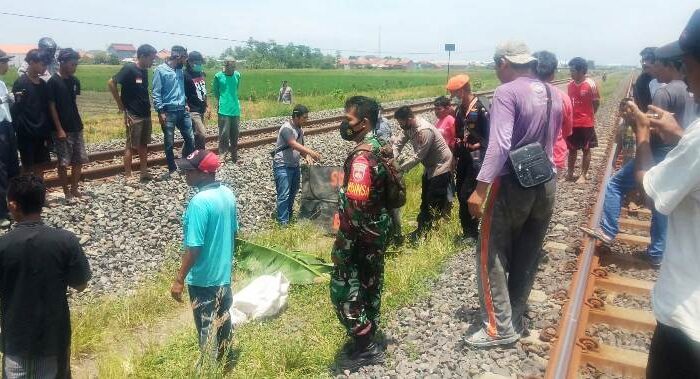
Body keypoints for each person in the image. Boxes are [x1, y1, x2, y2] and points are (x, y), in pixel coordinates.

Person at [465, 41, 563, 347]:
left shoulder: (507, 92)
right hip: (546, 182)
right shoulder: (553, 92)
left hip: (513, 183)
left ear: (505, 62)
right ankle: (515, 320)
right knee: (527, 252)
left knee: (490, 253)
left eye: (496, 64)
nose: (496, 70)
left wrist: (479, 189)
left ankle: (498, 328)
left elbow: (500, 144)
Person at [621, 12, 700, 378]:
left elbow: (650, 193)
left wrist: (641, 132)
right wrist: (681, 135)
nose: (684, 76)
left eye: (686, 64)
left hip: (688, 321)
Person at [581, 44, 693, 267]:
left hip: (657, 152)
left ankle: (608, 230)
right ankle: (658, 252)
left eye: (657, 64)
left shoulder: (664, 91)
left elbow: (652, 127)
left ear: (668, 64)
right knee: (660, 202)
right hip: (678, 151)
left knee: (614, 186)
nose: (654, 69)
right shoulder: (689, 90)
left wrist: (635, 120)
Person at [0, 174, 91, 379]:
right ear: (43, 202)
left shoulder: (3, 246)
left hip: (16, 340)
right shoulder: (65, 240)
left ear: (13, 206)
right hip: (54, 339)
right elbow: (81, 284)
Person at [331, 96, 392, 371]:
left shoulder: (361, 158)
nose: (345, 124)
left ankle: (365, 343)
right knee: (370, 282)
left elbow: (355, 206)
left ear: (364, 122)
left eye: (349, 120)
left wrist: (343, 243)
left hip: (360, 235)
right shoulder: (380, 147)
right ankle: (368, 333)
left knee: (343, 287)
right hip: (377, 231)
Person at [170, 149, 238, 368]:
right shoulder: (227, 194)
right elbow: (234, 233)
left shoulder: (199, 202)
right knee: (223, 320)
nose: (185, 175)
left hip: (203, 280)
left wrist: (180, 279)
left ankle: (209, 370)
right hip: (223, 276)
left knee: (206, 328)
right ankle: (224, 361)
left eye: (189, 171)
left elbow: (194, 247)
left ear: (205, 173)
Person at [446, 74, 490, 240]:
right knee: (460, 192)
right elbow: (458, 134)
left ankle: (473, 231)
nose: (452, 97)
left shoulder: (481, 108)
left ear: (463, 91)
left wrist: (480, 146)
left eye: (454, 93)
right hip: (464, 156)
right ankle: (467, 231)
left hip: (478, 156)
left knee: (468, 193)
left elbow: (491, 134)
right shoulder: (459, 110)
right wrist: (455, 157)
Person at [108, 44, 157, 180]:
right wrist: (121, 106)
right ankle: (128, 175)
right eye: (151, 59)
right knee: (130, 145)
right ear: (142, 56)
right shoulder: (129, 68)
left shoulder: (144, 71)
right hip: (133, 114)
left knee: (144, 144)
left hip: (145, 113)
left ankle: (143, 172)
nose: (152, 62)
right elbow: (111, 83)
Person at [47, 48, 88, 201]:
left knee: (79, 159)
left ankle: (75, 188)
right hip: (62, 129)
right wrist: (59, 129)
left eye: (76, 64)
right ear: (62, 62)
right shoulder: (53, 82)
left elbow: (73, 103)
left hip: (76, 125)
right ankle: (66, 192)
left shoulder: (74, 81)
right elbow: (51, 107)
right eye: (72, 64)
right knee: (63, 162)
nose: (74, 67)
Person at [272, 105, 321, 225]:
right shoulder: (286, 128)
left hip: (294, 165)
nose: (306, 120)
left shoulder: (300, 130)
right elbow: (292, 144)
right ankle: (282, 223)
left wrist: (307, 157)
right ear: (296, 117)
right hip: (282, 165)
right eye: (304, 118)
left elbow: (300, 148)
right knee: (284, 194)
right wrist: (311, 152)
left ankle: (288, 216)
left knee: (293, 192)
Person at [152, 45, 196, 179]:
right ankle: (172, 169)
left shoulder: (180, 71)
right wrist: (160, 111)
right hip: (168, 111)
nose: (185, 61)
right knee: (169, 142)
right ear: (178, 56)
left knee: (190, 138)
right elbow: (156, 92)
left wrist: (186, 103)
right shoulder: (161, 70)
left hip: (182, 109)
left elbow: (181, 89)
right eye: (184, 58)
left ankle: (185, 164)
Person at [11, 50, 52, 178]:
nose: (45, 67)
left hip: (41, 132)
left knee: (40, 164)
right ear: (31, 62)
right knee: (27, 165)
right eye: (42, 64)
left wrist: (47, 131)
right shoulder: (21, 83)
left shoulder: (44, 85)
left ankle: (38, 190)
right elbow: (16, 109)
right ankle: (24, 192)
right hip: (26, 132)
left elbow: (46, 109)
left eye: (46, 65)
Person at [533, 51, 574, 171]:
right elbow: (566, 130)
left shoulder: (521, 95)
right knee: (549, 188)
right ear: (553, 74)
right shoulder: (562, 97)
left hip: (526, 157)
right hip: (555, 154)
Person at [566, 57, 600, 183]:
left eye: (573, 70)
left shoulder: (591, 84)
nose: (571, 72)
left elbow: (596, 103)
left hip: (586, 123)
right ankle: (570, 173)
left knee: (586, 149)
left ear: (581, 71)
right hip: (572, 123)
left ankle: (583, 175)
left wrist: (589, 116)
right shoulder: (570, 85)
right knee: (572, 150)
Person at [0, 50, 19, 228]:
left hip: (7, 125)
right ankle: (1, 213)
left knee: (12, 167)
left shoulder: (2, 83)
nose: (7, 65)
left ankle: (14, 206)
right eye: (4, 62)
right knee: (0, 170)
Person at [212, 57, 242, 163]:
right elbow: (215, 91)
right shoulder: (218, 76)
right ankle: (222, 155)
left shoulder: (237, 75)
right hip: (224, 109)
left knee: (235, 133)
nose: (233, 68)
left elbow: (235, 89)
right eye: (231, 66)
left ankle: (234, 154)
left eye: (234, 66)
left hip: (235, 109)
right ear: (226, 65)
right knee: (224, 133)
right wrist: (221, 101)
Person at [185, 51, 209, 150]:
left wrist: (208, 106)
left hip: (201, 108)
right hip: (192, 109)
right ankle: (200, 154)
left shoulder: (200, 74)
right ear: (190, 62)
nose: (199, 65)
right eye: (197, 63)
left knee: (195, 135)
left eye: (200, 63)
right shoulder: (185, 75)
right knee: (201, 133)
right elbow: (182, 93)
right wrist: (185, 105)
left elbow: (204, 91)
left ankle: (189, 155)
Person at [634, 47, 657, 112]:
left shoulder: (668, 77)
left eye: (647, 59)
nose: (644, 63)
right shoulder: (641, 81)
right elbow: (644, 107)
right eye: (642, 60)